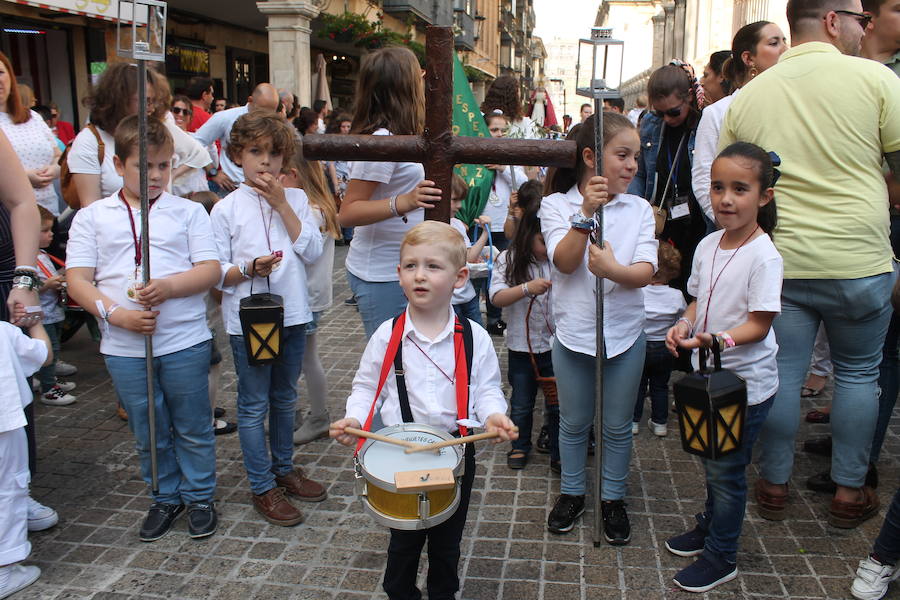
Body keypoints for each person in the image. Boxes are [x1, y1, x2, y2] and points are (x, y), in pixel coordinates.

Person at [720, 0, 900, 529]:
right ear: (831, 20)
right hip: (859, 257)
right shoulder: (876, 79)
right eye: (860, 20)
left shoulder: (748, 96)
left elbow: (738, 184)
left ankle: (773, 484)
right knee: (860, 375)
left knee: (783, 373)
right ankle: (849, 491)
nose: (862, 29)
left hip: (784, 261)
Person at [330, 220, 517, 600]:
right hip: (402, 455)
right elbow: (368, 387)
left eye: (433, 266)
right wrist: (356, 419)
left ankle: (442, 594)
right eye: (411, 265)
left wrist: (495, 415)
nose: (420, 275)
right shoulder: (388, 334)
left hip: (457, 454)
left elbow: (485, 389)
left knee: (447, 545)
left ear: (460, 277)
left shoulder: (475, 338)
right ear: (398, 274)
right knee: (404, 545)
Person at [66, 115, 221, 541]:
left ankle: (201, 494)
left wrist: (169, 287)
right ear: (119, 165)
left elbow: (209, 270)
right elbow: (78, 280)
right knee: (148, 425)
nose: (154, 175)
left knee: (192, 423)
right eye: (143, 166)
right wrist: (117, 316)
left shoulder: (189, 212)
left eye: (163, 166)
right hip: (124, 345)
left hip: (184, 340)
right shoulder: (92, 217)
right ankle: (164, 494)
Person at [664, 142, 782, 593]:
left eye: (740, 189)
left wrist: (717, 339)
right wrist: (684, 323)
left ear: (763, 197)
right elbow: (697, 299)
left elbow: (759, 322)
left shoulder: (764, 256)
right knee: (713, 459)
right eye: (717, 187)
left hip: (746, 387)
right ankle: (709, 526)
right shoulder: (709, 242)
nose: (726, 199)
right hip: (711, 378)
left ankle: (722, 554)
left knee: (728, 472)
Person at [540, 113, 657, 541]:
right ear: (591, 158)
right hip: (573, 334)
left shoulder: (640, 208)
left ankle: (612, 496)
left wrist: (614, 269)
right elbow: (565, 261)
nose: (632, 165)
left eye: (636, 156)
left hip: (625, 334)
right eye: (621, 155)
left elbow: (645, 270)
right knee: (572, 422)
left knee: (616, 424)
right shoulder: (556, 205)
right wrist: (586, 213)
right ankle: (572, 491)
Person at [210, 111, 327, 525]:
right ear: (236, 155)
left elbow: (312, 252)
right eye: (255, 152)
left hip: (292, 314)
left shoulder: (295, 200)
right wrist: (247, 269)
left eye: (273, 154)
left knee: (284, 397)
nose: (265, 162)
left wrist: (282, 203)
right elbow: (215, 272)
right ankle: (262, 485)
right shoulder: (225, 209)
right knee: (254, 403)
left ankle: (283, 468)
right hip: (250, 320)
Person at [339, 47, 442, 339]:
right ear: (403, 85)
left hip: (398, 269)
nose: (424, 79)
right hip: (382, 275)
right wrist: (404, 202)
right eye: (418, 75)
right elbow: (348, 213)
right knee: (391, 364)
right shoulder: (382, 140)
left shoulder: (399, 134)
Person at [490, 179, 559, 471]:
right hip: (521, 347)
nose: (549, 247)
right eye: (544, 240)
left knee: (557, 405)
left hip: (557, 348)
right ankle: (519, 445)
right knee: (521, 402)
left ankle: (558, 448)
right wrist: (527, 288)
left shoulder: (559, 260)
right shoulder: (509, 259)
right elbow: (496, 298)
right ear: (530, 233)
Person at [692, 22, 788, 223]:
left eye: (784, 41)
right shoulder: (717, 113)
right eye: (774, 43)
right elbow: (703, 177)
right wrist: (726, 222)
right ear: (748, 58)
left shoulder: (788, 103)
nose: (784, 49)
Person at [279, 151, 340, 445]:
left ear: (294, 175)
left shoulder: (311, 211)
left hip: (306, 297)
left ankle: (317, 416)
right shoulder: (319, 208)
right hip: (309, 295)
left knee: (303, 358)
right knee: (302, 357)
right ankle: (296, 413)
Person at [630, 62, 705, 294]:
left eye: (673, 112)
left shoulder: (705, 123)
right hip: (661, 220)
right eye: (659, 112)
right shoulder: (651, 124)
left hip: (697, 221)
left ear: (690, 97)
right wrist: (636, 212)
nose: (667, 119)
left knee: (692, 283)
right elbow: (639, 172)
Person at [0, 314, 50, 599]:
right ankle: (3, 570)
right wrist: (34, 322)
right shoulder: (4, 332)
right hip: (4, 424)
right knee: (8, 489)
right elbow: (43, 354)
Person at [67, 63, 156, 207]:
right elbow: (90, 209)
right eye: (145, 101)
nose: (151, 108)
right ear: (120, 99)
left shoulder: (149, 135)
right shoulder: (89, 142)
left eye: (153, 101)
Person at [480, 110, 527, 335]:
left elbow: (524, 183)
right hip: (482, 226)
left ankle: (495, 317)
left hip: (504, 227)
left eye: (503, 130)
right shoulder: (475, 156)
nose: (499, 134)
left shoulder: (510, 160)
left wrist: (502, 168)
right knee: (480, 273)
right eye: (494, 130)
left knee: (498, 273)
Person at [632, 242, 685, 436]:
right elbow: (682, 319)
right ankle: (660, 422)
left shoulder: (639, 292)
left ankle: (633, 421)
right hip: (665, 346)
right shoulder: (676, 296)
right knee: (660, 385)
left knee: (637, 384)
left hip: (641, 343)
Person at [0, 52, 61, 216]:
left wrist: (55, 169)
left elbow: (58, 155)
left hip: (48, 213)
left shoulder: (33, 117)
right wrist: (24, 176)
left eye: (1, 72)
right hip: (8, 219)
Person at [194, 83, 280, 196]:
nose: (265, 116)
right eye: (262, 110)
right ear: (250, 100)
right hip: (230, 189)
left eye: (270, 112)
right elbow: (195, 144)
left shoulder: (276, 125)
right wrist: (213, 172)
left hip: (264, 189)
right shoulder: (226, 117)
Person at [34, 206, 76, 406]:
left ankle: (47, 380)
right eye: (44, 231)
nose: (51, 235)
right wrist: (48, 285)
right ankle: (49, 388)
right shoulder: (26, 259)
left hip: (53, 312)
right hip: (42, 316)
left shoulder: (41, 254)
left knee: (55, 349)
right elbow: (24, 289)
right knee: (47, 352)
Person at [449, 174, 490, 328]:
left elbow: (469, 257)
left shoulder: (458, 224)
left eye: (461, 200)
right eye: (454, 200)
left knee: (475, 333)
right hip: (449, 301)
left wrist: (485, 233)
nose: (459, 205)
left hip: (467, 295)